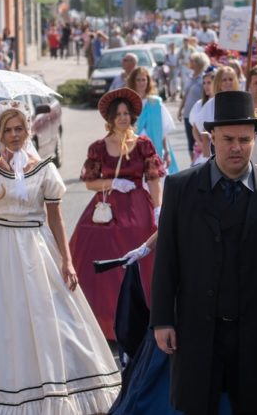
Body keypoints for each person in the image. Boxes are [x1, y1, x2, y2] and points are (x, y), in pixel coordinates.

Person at [0, 100, 122, 414]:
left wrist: (66, 260)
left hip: (37, 249)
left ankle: (54, 387)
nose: (14, 135)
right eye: (8, 130)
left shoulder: (45, 169)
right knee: (2, 320)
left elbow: (56, 218)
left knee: (48, 317)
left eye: (19, 129)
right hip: (0, 250)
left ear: (28, 130)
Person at [151, 91, 257, 415]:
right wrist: (161, 320)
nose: (236, 147)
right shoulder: (179, 187)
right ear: (211, 137)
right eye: (228, 138)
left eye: (245, 139)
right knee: (199, 404)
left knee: (252, 404)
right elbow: (167, 260)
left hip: (256, 330)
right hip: (197, 326)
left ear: (255, 138)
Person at [69, 88, 165, 341]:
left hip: (137, 207)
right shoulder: (98, 148)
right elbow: (90, 183)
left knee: (143, 255)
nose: (123, 117)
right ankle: (103, 324)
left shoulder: (144, 145)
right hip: (106, 208)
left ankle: (145, 320)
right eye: (118, 114)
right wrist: (112, 183)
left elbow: (153, 179)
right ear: (110, 118)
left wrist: (158, 209)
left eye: (126, 113)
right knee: (98, 256)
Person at [128, 66, 180, 174]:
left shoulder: (155, 103)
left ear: (148, 82)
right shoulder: (128, 103)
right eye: (138, 80)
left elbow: (163, 132)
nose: (141, 83)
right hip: (133, 151)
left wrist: (167, 151)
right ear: (133, 81)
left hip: (155, 151)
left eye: (144, 79)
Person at [178, 52, 209, 160]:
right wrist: (180, 110)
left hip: (198, 114)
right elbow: (185, 95)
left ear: (199, 63)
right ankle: (193, 164)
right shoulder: (190, 77)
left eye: (193, 61)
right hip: (187, 114)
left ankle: (200, 162)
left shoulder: (204, 78)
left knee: (200, 140)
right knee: (190, 142)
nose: (190, 63)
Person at [189, 68, 217, 165]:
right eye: (204, 83)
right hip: (202, 148)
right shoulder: (199, 104)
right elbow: (195, 128)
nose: (206, 86)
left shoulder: (219, 102)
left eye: (209, 83)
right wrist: (201, 144)